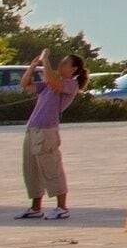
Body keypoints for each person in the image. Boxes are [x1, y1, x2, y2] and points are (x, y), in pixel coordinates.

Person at [18, 50, 80, 220]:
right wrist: (32, 66)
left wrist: (45, 60)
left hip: (47, 132)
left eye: (65, 63)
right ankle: (35, 207)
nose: (61, 65)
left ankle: (62, 207)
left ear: (74, 69)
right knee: (31, 169)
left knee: (52, 169)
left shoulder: (70, 84)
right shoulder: (50, 84)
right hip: (33, 129)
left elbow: (51, 80)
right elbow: (25, 84)